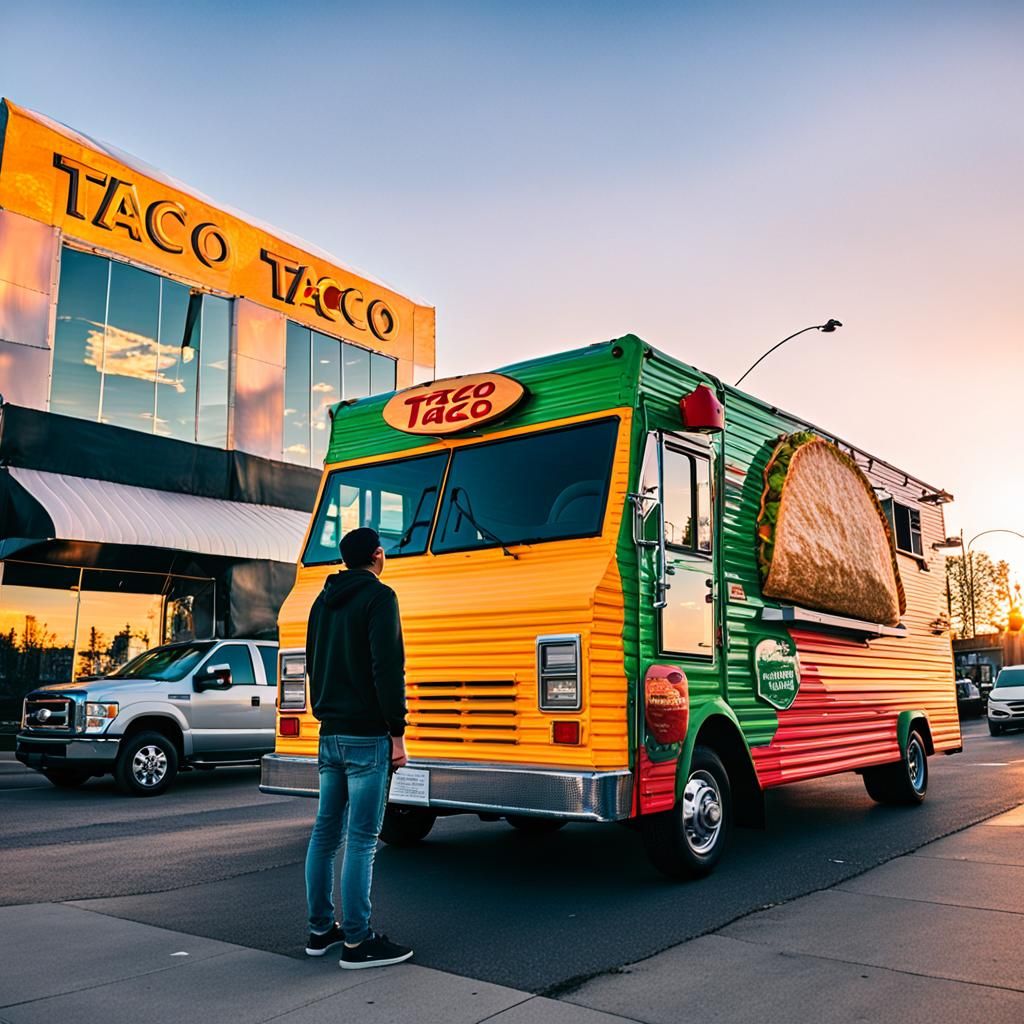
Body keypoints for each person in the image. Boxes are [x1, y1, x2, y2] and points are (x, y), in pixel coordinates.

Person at [303, 526, 413, 969]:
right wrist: (397, 732)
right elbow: (387, 667)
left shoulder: (321, 601)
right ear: (378, 555)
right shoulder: (380, 598)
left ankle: (320, 931)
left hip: (329, 733)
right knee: (363, 840)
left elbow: (311, 664)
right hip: (367, 736)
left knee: (325, 835)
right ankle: (357, 940)